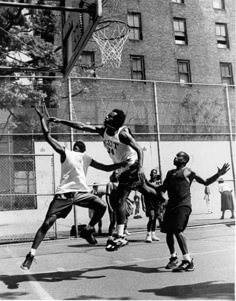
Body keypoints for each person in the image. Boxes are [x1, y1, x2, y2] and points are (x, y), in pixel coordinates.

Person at [21, 107, 128, 270]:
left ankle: (88, 230)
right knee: (49, 223)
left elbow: (47, 136)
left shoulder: (77, 155)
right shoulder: (71, 154)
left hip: (77, 193)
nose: (79, 147)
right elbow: (107, 168)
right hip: (67, 194)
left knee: (100, 207)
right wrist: (122, 164)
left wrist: (120, 165)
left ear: (79, 148)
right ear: (77, 148)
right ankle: (32, 254)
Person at [48, 109, 160, 251]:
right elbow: (82, 126)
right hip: (123, 168)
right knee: (145, 189)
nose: (106, 117)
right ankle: (163, 200)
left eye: (110, 116)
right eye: (108, 115)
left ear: (117, 121)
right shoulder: (104, 131)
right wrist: (61, 121)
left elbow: (138, 148)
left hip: (131, 166)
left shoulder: (123, 134)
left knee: (120, 200)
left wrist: (140, 167)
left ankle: (120, 236)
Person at [159, 151, 230, 272]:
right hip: (171, 205)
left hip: (183, 205)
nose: (176, 157)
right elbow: (162, 189)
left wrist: (218, 174)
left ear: (185, 160)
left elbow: (206, 181)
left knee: (177, 230)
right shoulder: (170, 173)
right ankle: (173, 258)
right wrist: (159, 196)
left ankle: (188, 261)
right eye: (176, 156)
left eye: (179, 156)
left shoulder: (188, 172)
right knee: (168, 232)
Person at [105, 170, 132, 248]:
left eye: (118, 174)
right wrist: (110, 206)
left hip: (120, 206)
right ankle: (109, 238)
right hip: (113, 206)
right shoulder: (110, 184)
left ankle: (119, 237)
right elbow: (107, 196)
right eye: (115, 174)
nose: (116, 175)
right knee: (113, 222)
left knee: (121, 221)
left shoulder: (121, 185)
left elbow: (123, 196)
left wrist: (130, 200)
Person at [143, 169, 164, 243]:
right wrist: (143, 205)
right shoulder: (147, 183)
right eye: (152, 173)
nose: (153, 174)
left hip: (157, 203)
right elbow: (143, 194)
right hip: (149, 202)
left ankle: (153, 234)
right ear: (150, 174)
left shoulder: (159, 183)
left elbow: (161, 193)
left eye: (154, 173)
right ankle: (148, 235)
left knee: (155, 217)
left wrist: (162, 203)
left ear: (156, 175)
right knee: (151, 217)